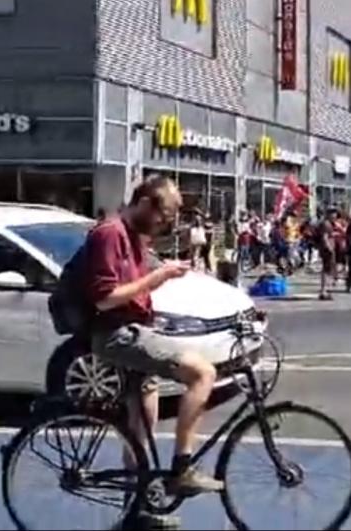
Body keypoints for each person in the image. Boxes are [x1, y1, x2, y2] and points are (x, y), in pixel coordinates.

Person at [84, 176, 223, 506]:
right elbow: (105, 299)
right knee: (202, 374)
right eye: (163, 216)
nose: (165, 225)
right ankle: (182, 468)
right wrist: (156, 278)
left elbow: (135, 287)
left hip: (134, 329)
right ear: (145, 204)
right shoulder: (110, 234)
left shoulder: (134, 237)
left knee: (143, 421)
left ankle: (140, 500)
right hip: (117, 335)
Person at [314, 208, 338, 300]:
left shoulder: (327, 224)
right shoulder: (326, 224)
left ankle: (325, 290)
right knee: (326, 270)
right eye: (333, 214)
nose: (335, 216)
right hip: (327, 250)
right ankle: (323, 291)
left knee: (328, 270)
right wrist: (329, 248)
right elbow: (324, 237)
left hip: (326, 249)